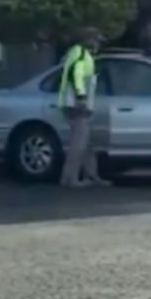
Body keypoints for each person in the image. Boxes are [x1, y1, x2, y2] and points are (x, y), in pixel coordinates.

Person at [57, 30, 103, 188]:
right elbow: (76, 75)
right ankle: (70, 179)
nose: (98, 44)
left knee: (88, 143)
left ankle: (92, 176)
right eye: (96, 41)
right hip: (75, 106)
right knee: (79, 144)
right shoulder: (81, 55)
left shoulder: (81, 54)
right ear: (88, 41)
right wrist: (81, 97)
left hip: (76, 105)